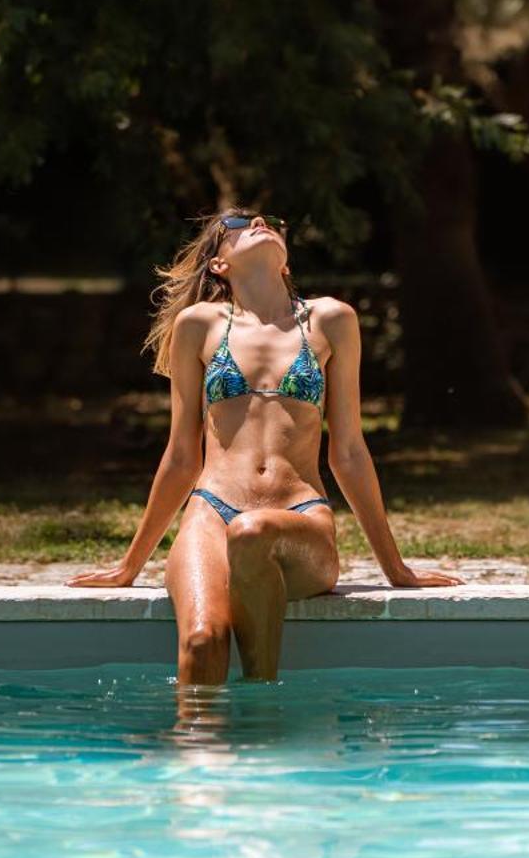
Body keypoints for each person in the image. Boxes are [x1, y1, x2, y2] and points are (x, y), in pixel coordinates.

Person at [69, 209, 460, 685]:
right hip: (211, 510)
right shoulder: (199, 325)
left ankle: (261, 710)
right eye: (237, 225)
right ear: (219, 263)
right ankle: (196, 751)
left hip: (299, 515)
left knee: (252, 531)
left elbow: (350, 452)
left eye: (268, 222)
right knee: (200, 639)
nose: (257, 220)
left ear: (286, 263)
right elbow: (180, 455)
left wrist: (395, 568)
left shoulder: (331, 319)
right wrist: (130, 565)